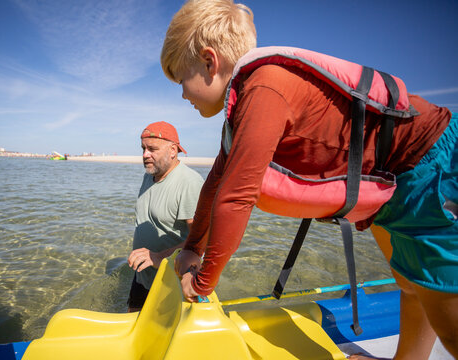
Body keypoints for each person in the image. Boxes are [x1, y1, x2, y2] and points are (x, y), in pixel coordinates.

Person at [160, 0, 458, 358]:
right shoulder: (240, 112)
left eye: (182, 78)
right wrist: (193, 245)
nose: (182, 94)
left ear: (209, 62)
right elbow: (215, 184)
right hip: (392, 179)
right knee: (410, 285)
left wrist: (203, 281)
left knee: (447, 316)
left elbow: (236, 196)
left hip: (428, 164)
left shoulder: (264, 87)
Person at [126, 121, 204, 312]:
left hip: (169, 282)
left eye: (152, 149)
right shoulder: (149, 175)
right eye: (143, 148)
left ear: (172, 150)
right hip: (143, 274)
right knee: (130, 325)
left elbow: (201, 241)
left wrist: (157, 257)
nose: (145, 155)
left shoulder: (189, 183)